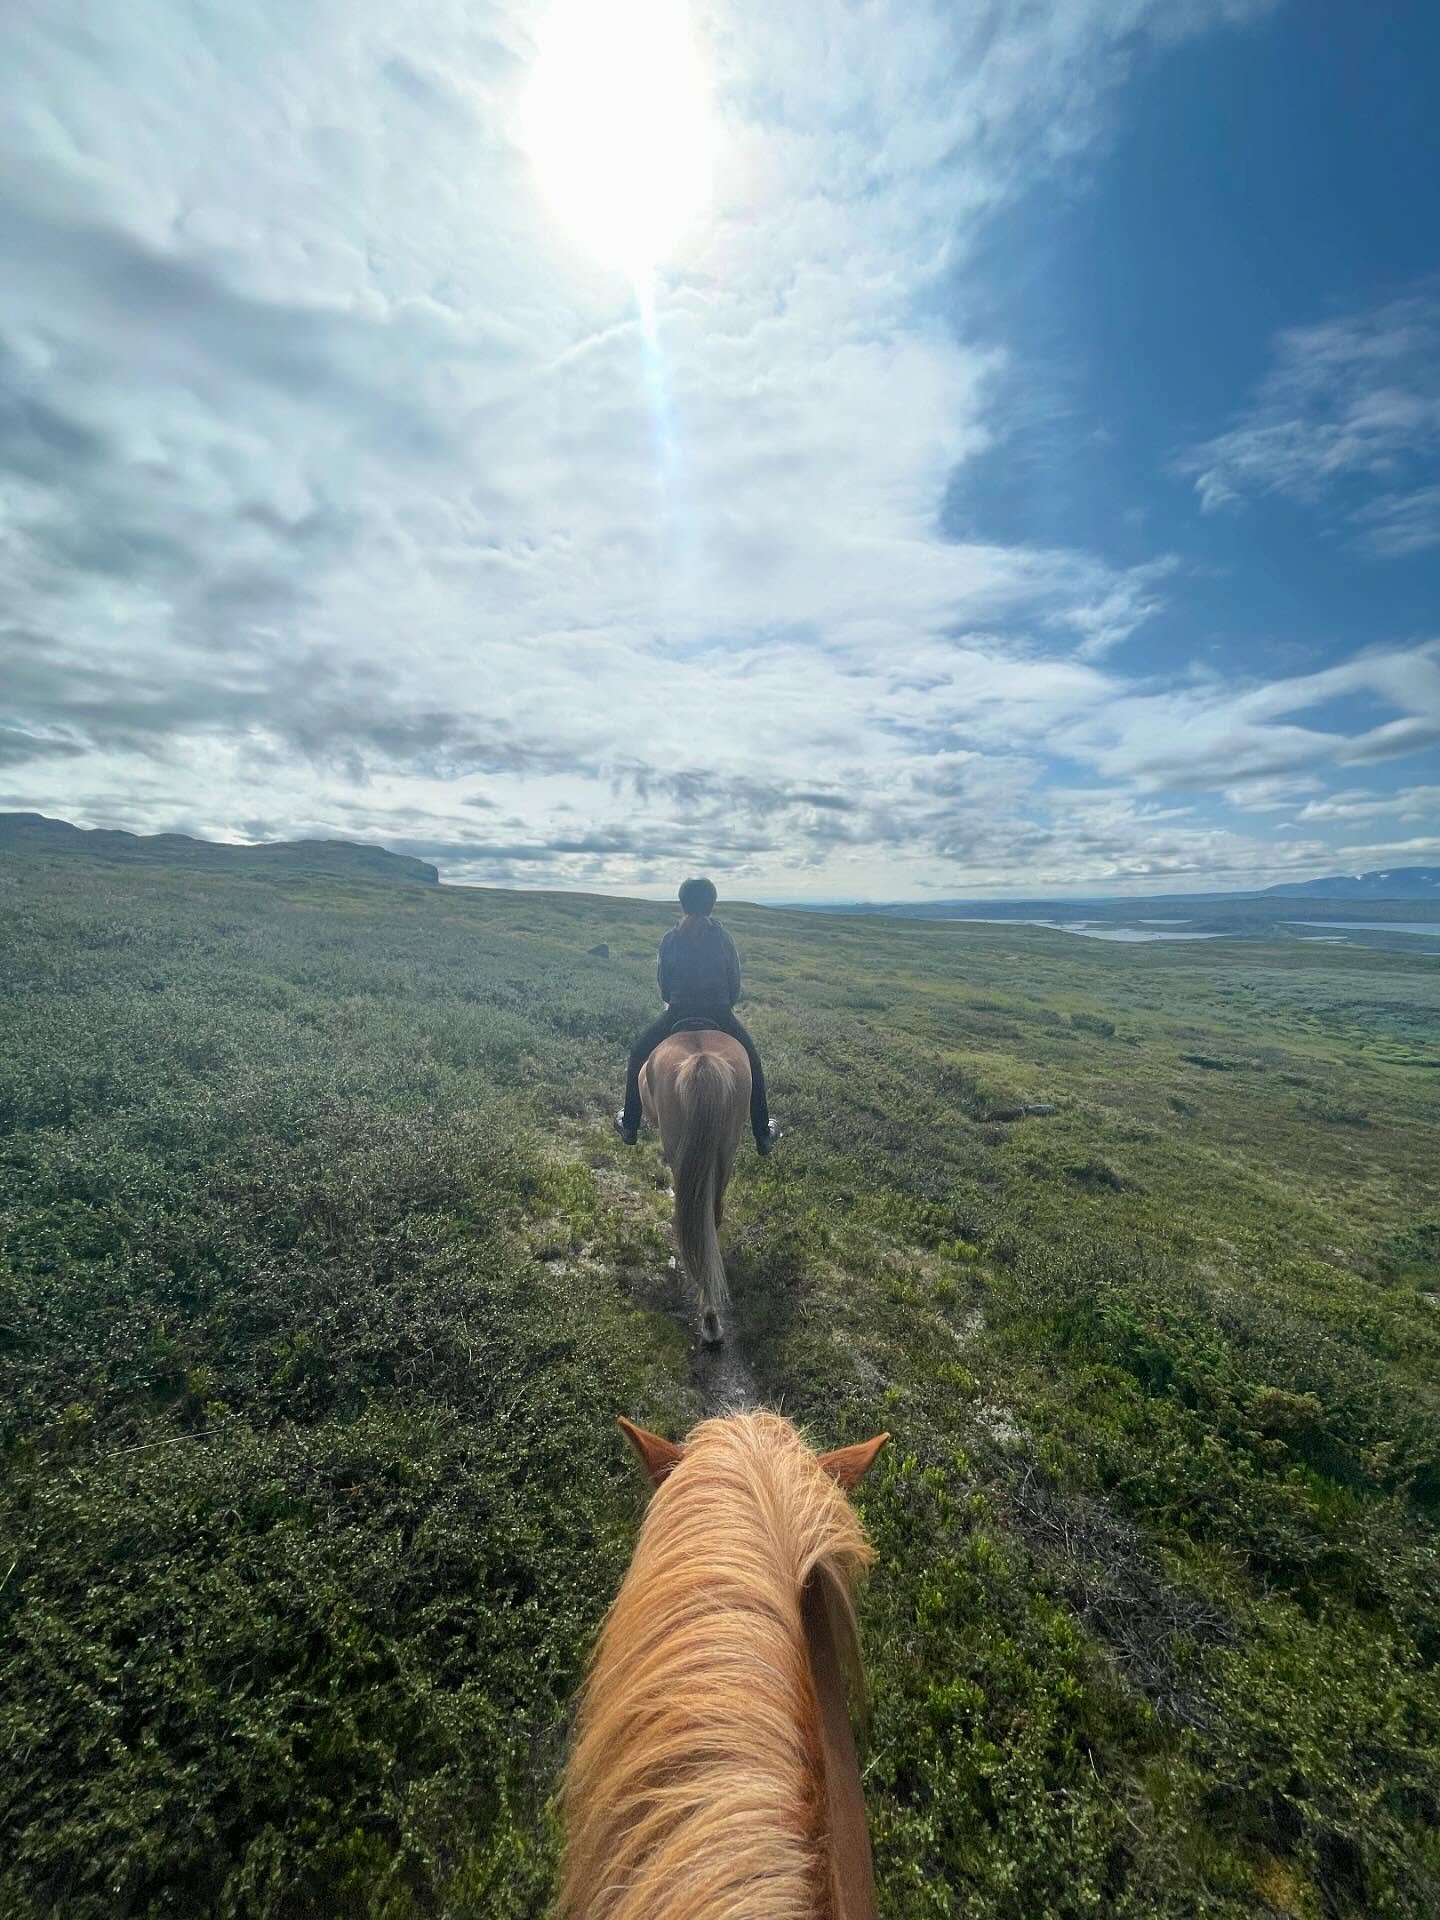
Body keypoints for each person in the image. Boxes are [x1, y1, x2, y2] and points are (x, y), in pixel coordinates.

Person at [616, 877, 780, 1154]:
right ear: (712, 904)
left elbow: (664, 985)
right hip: (719, 1012)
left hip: (678, 1011)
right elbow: (734, 982)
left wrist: (673, 1001)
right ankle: (763, 1134)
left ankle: (630, 1125)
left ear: (682, 903)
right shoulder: (724, 937)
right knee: (752, 1060)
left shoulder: (670, 937)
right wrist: (724, 1004)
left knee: (637, 1055)